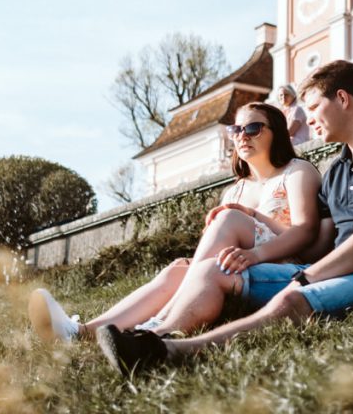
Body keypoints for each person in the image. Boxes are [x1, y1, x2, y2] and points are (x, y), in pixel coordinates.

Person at [96, 60, 353, 383]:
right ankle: (155, 336)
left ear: (342, 98)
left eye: (312, 107)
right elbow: (316, 244)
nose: (307, 118)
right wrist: (253, 227)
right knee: (210, 271)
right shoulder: (338, 170)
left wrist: (306, 278)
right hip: (342, 271)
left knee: (290, 302)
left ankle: (172, 354)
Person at [28, 102, 321, 344]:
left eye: (253, 128)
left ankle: (157, 323)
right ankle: (82, 333)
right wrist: (197, 266)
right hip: (235, 270)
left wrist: (252, 232)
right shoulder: (234, 190)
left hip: (281, 266)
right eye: (236, 129)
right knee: (177, 270)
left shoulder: (297, 171)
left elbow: (305, 232)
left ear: (277, 133)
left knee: (229, 216)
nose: (243, 135)